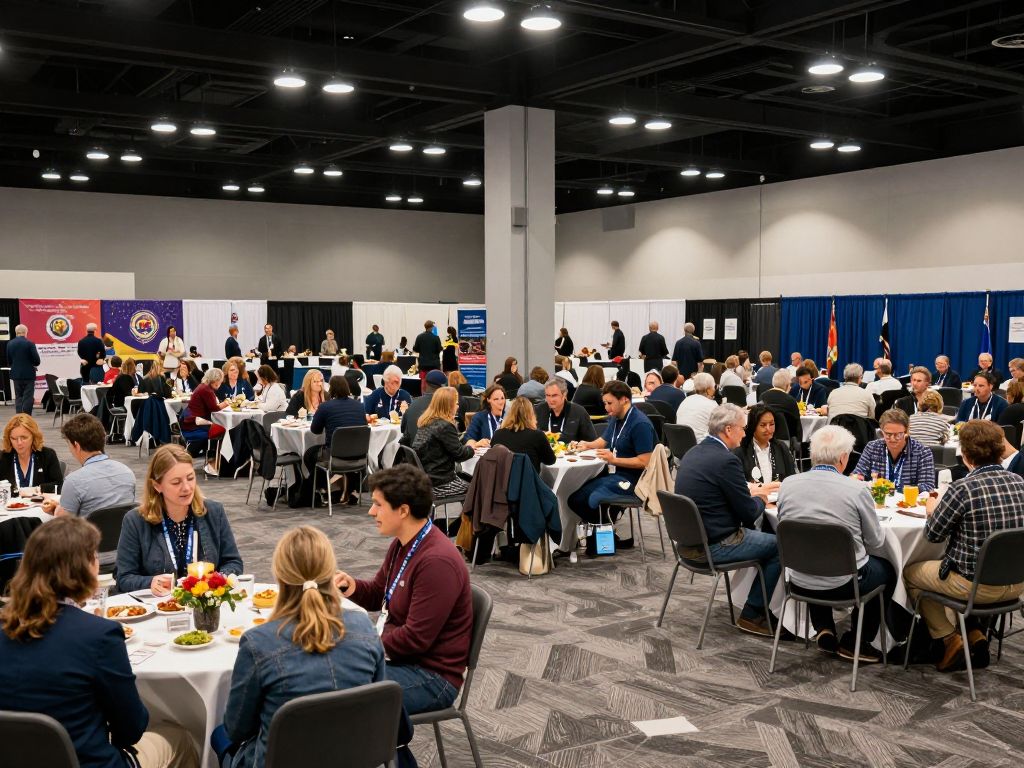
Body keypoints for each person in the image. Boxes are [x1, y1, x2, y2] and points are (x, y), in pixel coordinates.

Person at [0, 516, 199, 768]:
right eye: (95, 557)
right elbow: (131, 729)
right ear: (85, 568)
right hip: (88, 762)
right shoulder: (99, 635)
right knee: (180, 738)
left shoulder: (6, 626)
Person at [222, 526, 395, 768]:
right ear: (331, 573)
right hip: (355, 758)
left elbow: (237, 729)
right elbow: (375, 706)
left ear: (279, 576)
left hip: (281, 760)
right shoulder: (364, 627)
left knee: (219, 737)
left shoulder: (257, 643)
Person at [335, 464, 472, 714]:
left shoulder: (437, 563)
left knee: (338, 690)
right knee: (330, 673)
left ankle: (379, 740)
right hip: (403, 660)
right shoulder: (403, 543)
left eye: (378, 505)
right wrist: (351, 586)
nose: (371, 512)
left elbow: (415, 639)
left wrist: (361, 644)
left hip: (432, 675)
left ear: (403, 511)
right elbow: (380, 593)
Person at [904, 419, 1024, 672]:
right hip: (1016, 584)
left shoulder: (962, 488)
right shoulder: (1020, 482)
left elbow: (933, 536)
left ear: (966, 455)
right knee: (962, 564)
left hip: (974, 586)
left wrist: (931, 510)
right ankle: (974, 633)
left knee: (911, 573)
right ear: (1000, 450)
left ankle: (948, 639)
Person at [776, 426, 895, 662]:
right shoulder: (856, 490)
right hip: (844, 583)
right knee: (888, 570)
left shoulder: (787, 484)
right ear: (843, 458)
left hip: (797, 578)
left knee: (814, 550)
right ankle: (858, 641)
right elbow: (875, 541)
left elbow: (784, 525)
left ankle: (824, 628)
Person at [674, 404, 781, 637]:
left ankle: (754, 604)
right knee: (781, 546)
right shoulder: (726, 460)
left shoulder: (693, 453)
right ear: (729, 429)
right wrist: (761, 498)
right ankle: (754, 613)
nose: (744, 433)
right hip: (715, 545)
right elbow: (748, 513)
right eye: (742, 428)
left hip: (687, 544)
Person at [116, 444, 243, 594]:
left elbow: (233, 562)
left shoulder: (214, 512)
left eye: (190, 478)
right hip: (160, 603)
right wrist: (150, 582)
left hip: (205, 601)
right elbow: (124, 578)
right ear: (157, 486)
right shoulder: (135, 521)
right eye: (176, 482)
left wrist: (218, 579)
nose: (187, 488)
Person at [568, 381, 657, 529]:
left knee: (589, 500)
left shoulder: (640, 424)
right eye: (605, 403)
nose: (606, 408)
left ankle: (603, 533)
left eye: (610, 403)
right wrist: (587, 445)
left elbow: (645, 462)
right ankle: (604, 532)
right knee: (575, 498)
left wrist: (614, 460)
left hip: (635, 481)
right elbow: (604, 440)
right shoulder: (616, 417)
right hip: (615, 474)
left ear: (624, 400)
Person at [41, 413, 135, 517]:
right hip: (121, 527)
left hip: (88, 527)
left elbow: (62, 521)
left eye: (69, 444)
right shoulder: (127, 472)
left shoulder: (74, 481)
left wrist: (56, 509)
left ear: (76, 445)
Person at [307, 376, 368, 504]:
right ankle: (348, 489)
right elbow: (363, 426)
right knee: (346, 450)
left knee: (309, 454)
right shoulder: (359, 406)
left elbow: (315, 430)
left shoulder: (325, 407)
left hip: (335, 456)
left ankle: (321, 489)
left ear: (331, 389)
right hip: (359, 456)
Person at [410, 387, 477, 496]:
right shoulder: (445, 426)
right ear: (448, 405)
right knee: (477, 490)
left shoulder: (426, 422)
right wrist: (471, 447)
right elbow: (460, 455)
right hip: (441, 483)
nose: (458, 406)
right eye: (456, 403)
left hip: (426, 479)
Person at [853, 408, 936, 491]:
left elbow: (928, 486)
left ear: (906, 431)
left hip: (907, 498)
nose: (892, 439)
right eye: (888, 434)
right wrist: (857, 478)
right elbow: (857, 475)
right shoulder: (872, 447)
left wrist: (896, 490)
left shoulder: (922, 452)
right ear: (881, 431)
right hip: (878, 497)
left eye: (898, 435)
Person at [183, 368, 231, 475]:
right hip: (196, 423)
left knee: (219, 429)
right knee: (223, 430)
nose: (220, 383)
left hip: (191, 419)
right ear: (215, 380)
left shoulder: (203, 387)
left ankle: (211, 459)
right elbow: (214, 408)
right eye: (219, 381)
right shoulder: (206, 390)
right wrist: (226, 403)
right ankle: (213, 461)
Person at [733, 404, 796, 486]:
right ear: (753, 426)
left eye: (772, 424)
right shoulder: (741, 450)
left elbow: (792, 477)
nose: (768, 429)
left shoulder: (781, 447)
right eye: (763, 425)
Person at [491, 396, 557, 473]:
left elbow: (493, 459)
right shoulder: (537, 435)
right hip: (528, 480)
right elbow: (550, 460)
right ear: (531, 414)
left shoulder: (498, 434)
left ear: (510, 413)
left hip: (503, 479)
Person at [0, 413, 63, 492]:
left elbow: (59, 485)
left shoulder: (47, 455)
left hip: (40, 500)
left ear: (34, 436)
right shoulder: (3, 457)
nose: (19, 443)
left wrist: (36, 490)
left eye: (24, 438)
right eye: (14, 438)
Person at [535, 378, 596, 444]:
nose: (551, 400)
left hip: (571, 449)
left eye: (554, 395)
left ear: (564, 394)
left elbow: (591, 441)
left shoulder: (578, 412)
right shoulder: (539, 410)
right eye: (548, 395)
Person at [402, 369, 448, 443]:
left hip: (412, 448)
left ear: (425, 384)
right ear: (443, 388)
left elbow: (403, 428)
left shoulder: (412, 404)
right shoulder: (444, 406)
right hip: (434, 449)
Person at [675, 371, 719, 442]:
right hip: (702, 445)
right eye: (714, 387)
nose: (715, 389)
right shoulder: (712, 405)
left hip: (680, 444)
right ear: (709, 390)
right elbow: (719, 429)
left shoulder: (685, 400)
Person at [7, 323, 39, 415]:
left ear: (16, 332)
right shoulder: (30, 343)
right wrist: (32, 364)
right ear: (26, 332)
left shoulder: (10, 344)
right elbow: (37, 361)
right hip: (29, 375)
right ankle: (26, 417)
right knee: (28, 397)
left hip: (16, 375)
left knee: (18, 397)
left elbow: (9, 361)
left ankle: (19, 416)